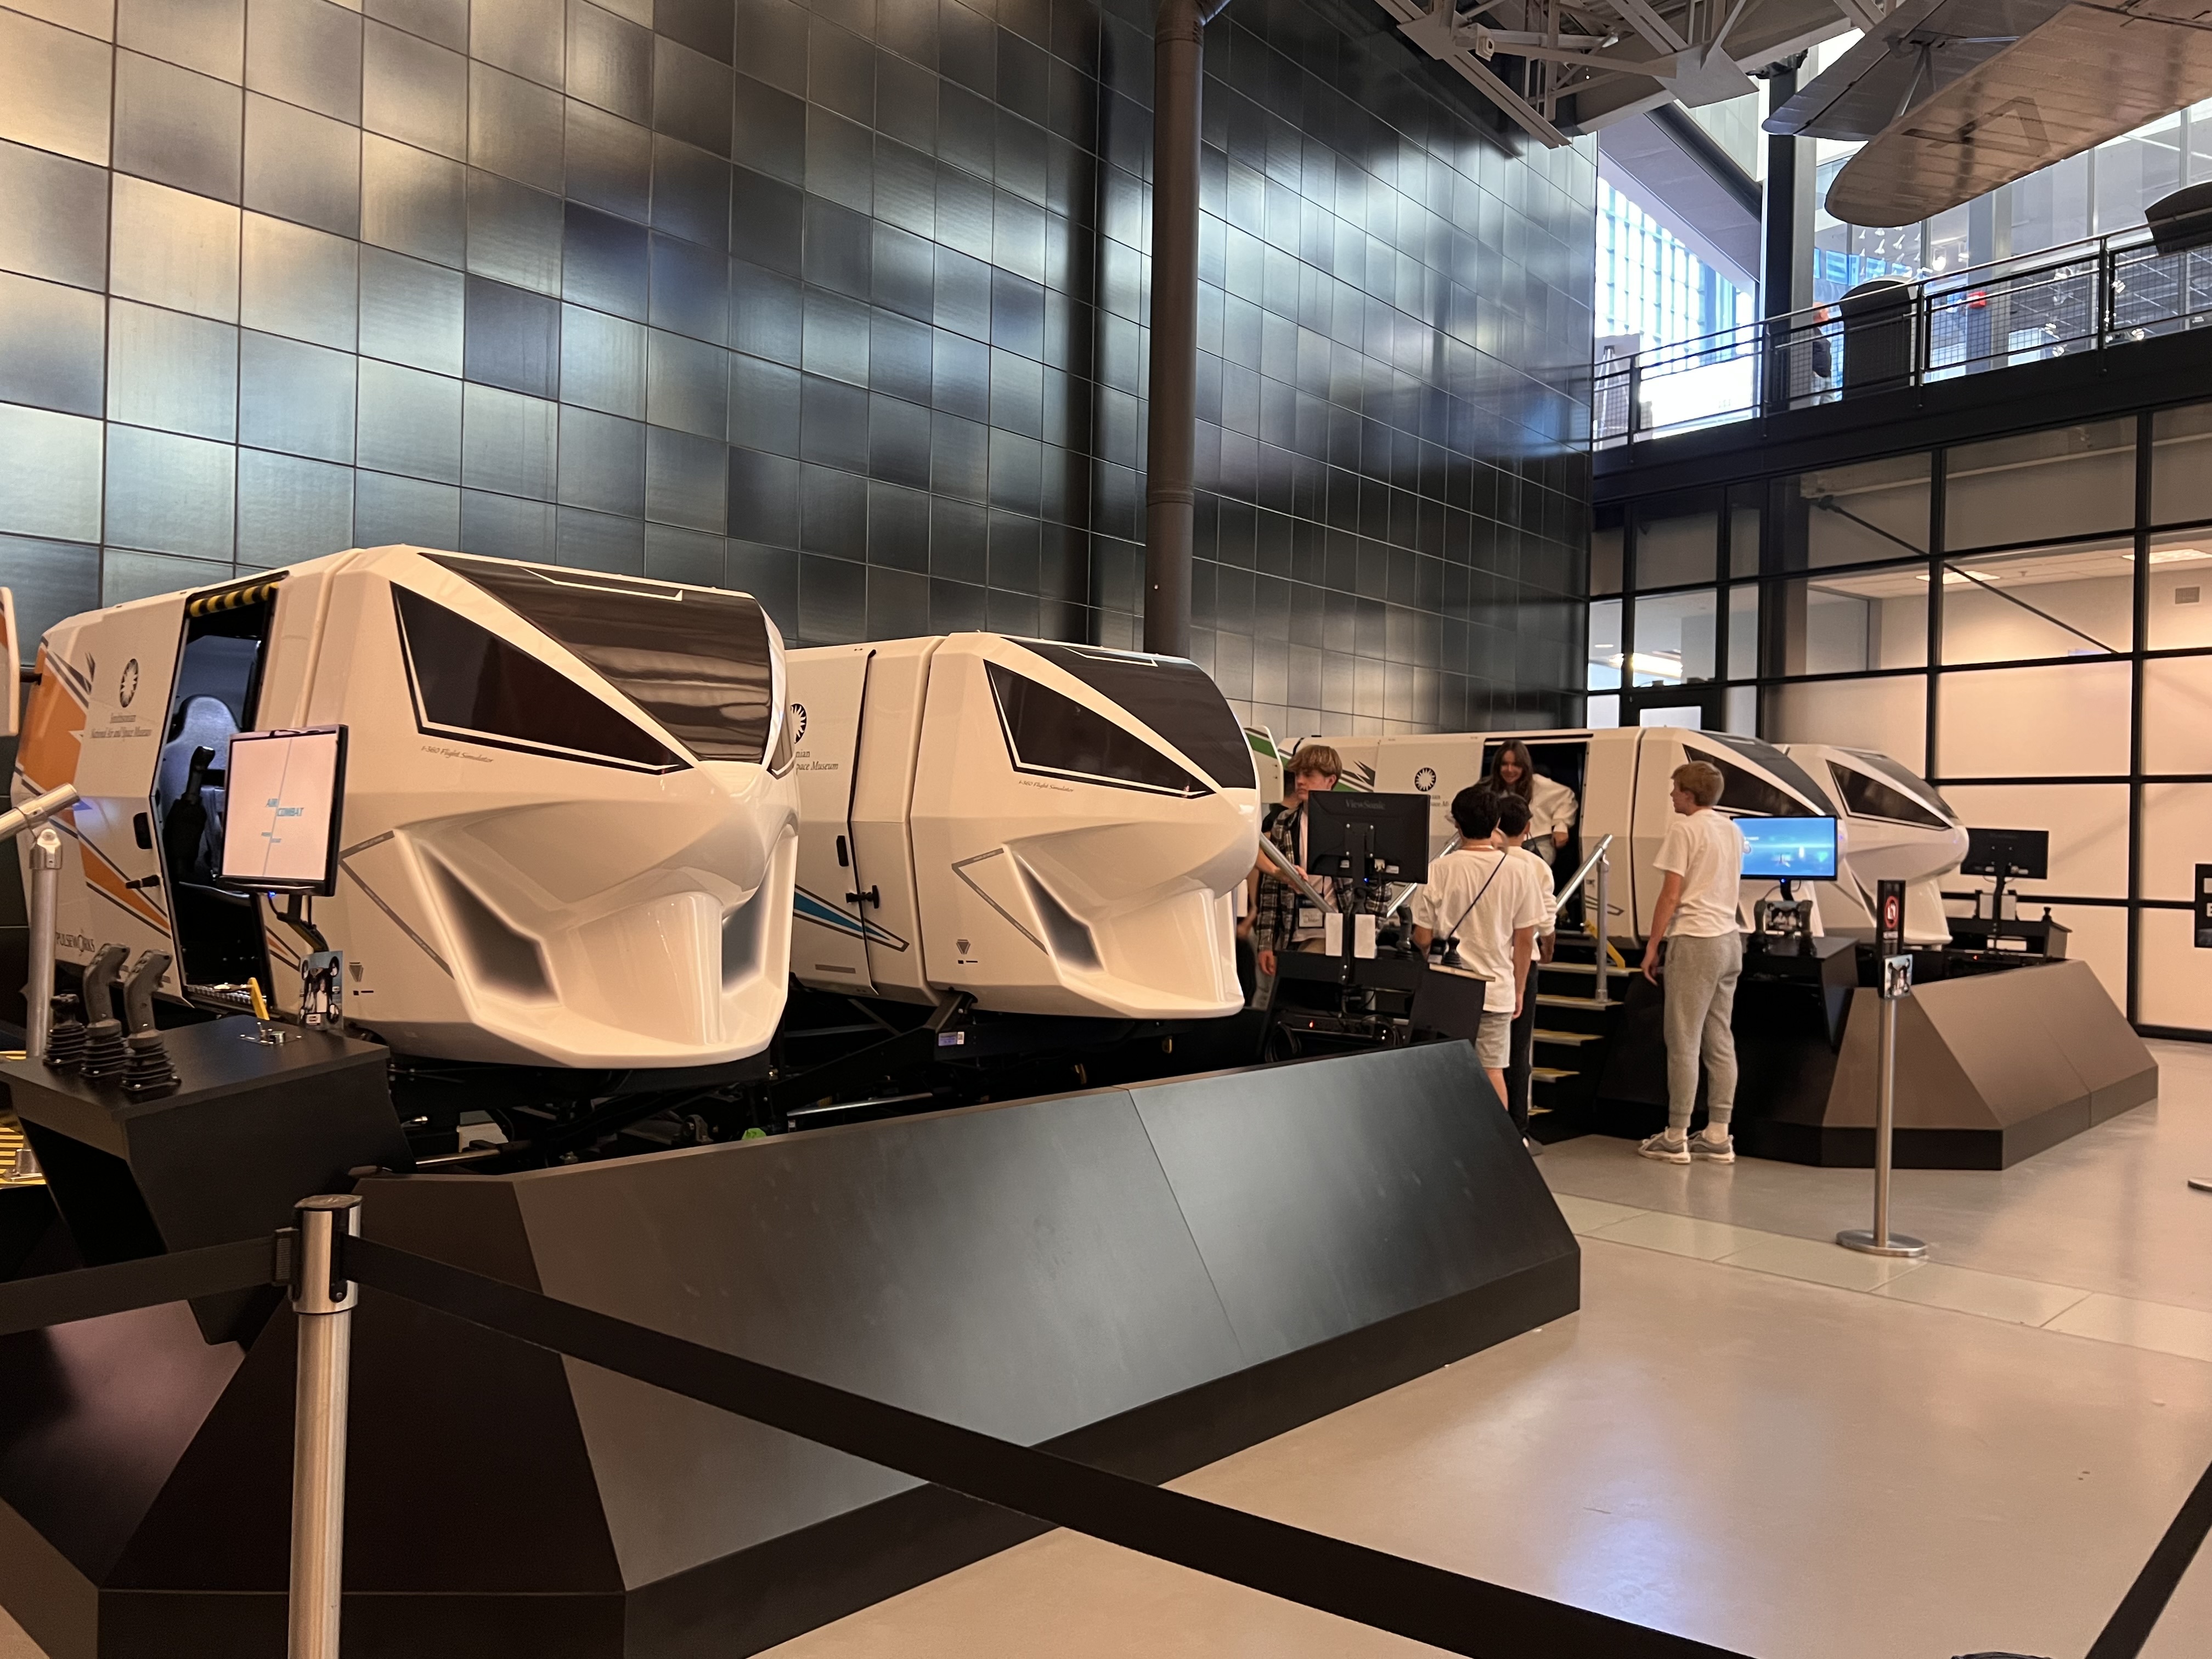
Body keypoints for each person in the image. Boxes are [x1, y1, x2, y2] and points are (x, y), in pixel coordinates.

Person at [1411, 788, 1549, 1113]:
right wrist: (1519, 988)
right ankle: (1496, 1142)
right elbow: (1525, 939)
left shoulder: (1438, 869)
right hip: (1496, 987)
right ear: (1497, 823)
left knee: (1444, 1071)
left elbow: (1422, 937)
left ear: (1456, 824)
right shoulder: (1520, 871)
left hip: (1449, 988)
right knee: (1492, 1071)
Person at [1637, 760, 1745, 1164]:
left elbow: (1671, 894)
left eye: (1675, 789)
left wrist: (1653, 946)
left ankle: (1676, 1134)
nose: (1671, 796)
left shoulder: (1684, 830)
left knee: (1683, 1039)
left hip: (1695, 940)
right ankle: (1718, 1133)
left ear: (1689, 794)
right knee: (1720, 1039)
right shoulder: (1732, 830)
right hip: (1729, 941)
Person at [1251, 744, 1391, 978]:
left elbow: (1379, 884)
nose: (1300, 781)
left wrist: (1367, 935)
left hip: (1340, 933)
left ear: (1331, 780)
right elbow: (1272, 887)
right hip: (1294, 932)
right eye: (1297, 774)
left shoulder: (1355, 825)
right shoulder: (1285, 823)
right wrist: (1266, 942)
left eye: (1309, 775)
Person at [1492, 792, 1556, 1148]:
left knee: (1486, 1050)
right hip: (1524, 962)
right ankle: (1518, 1127)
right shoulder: (1537, 866)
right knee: (1519, 1048)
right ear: (1529, 827)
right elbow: (1545, 918)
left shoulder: (1490, 860)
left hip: (1488, 959)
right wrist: (1547, 945)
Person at [1484, 740, 1577, 866]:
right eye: (1505, 764)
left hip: (1537, 844)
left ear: (1524, 766)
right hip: (1501, 844)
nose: (1510, 770)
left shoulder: (1539, 784)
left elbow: (1567, 796)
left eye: (1516, 765)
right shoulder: (1489, 787)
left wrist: (1561, 825)